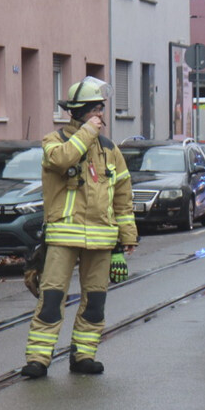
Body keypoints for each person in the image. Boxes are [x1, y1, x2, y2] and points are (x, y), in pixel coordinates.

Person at [19, 77, 138, 379]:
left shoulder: (111, 150)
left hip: (101, 239)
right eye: (97, 109)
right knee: (52, 300)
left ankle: (84, 355)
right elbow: (62, 161)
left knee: (95, 302)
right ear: (81, 112)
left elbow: (123, 196)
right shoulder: (54, 142)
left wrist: (126, 239)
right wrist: (86, 133)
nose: (102, 115)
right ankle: (38, 359)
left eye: (102, 108)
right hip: (63, 237)